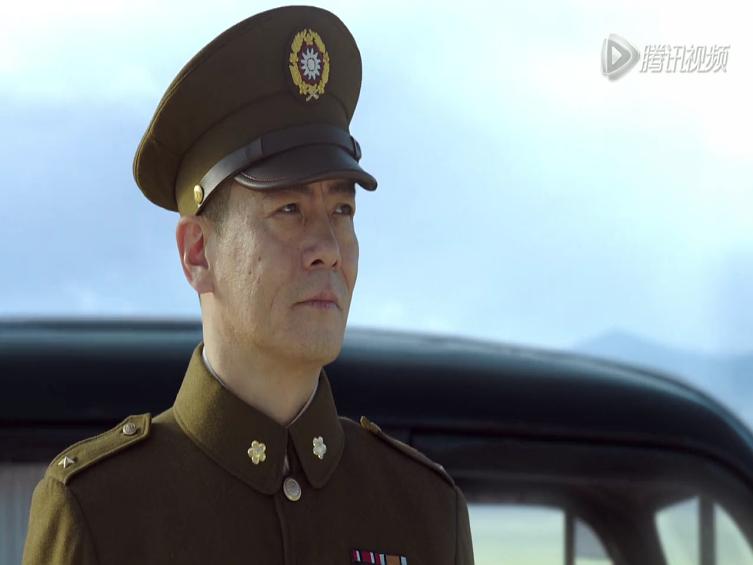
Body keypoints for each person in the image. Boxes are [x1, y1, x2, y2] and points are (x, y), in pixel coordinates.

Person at [22, 6, 475, 564]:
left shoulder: (425, 512)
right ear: (197, 252)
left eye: (342, 210)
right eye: (289, 209)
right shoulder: (102, 511)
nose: (329, 248)